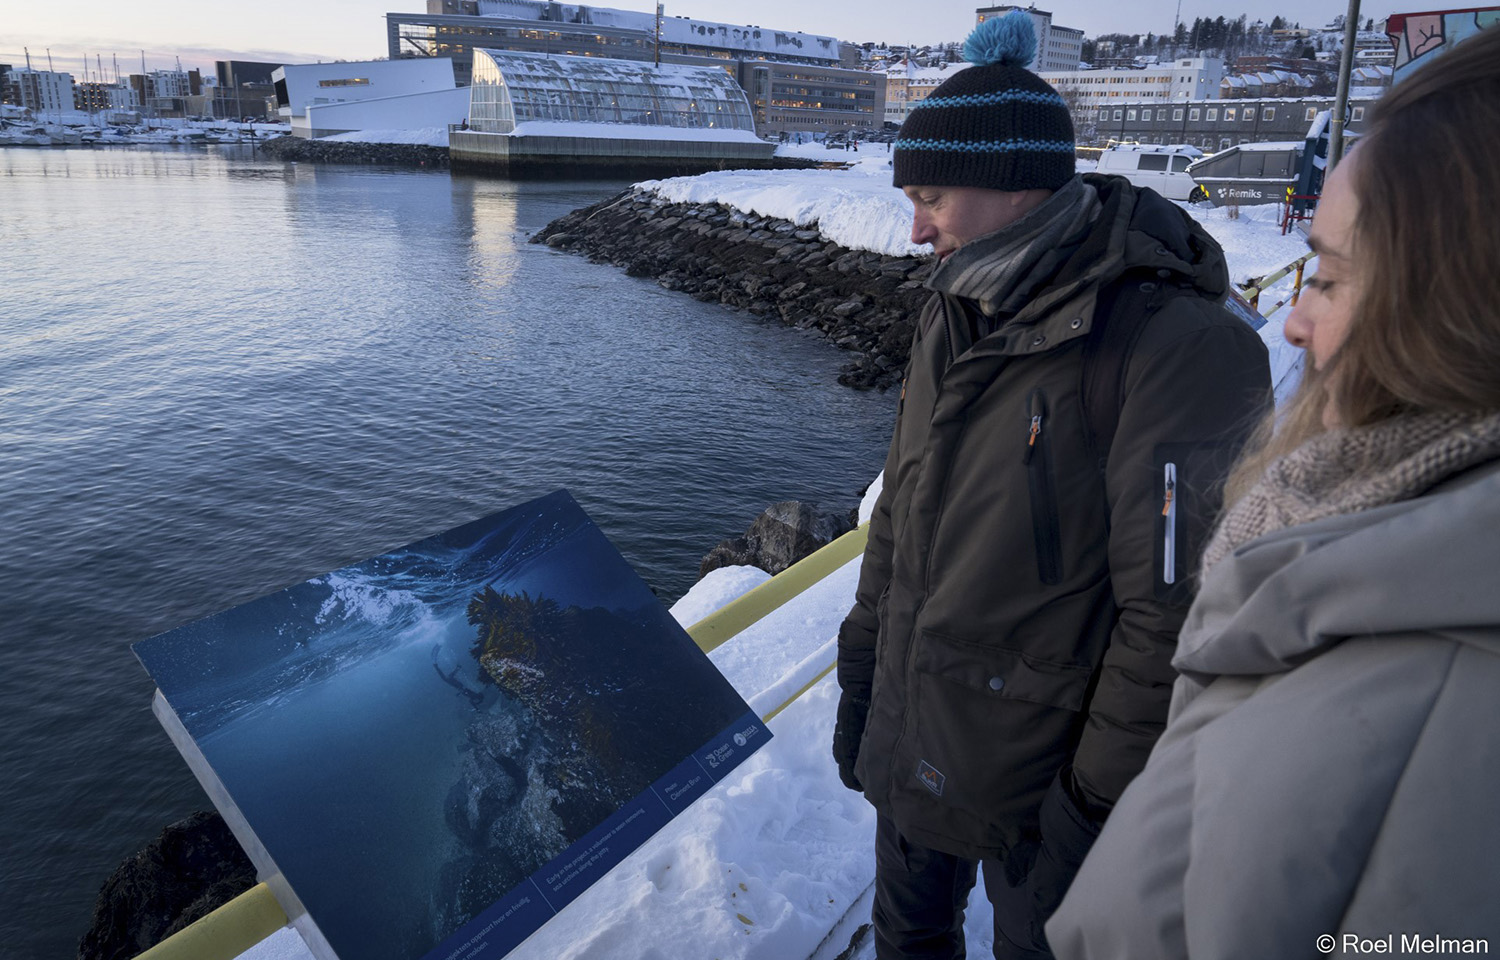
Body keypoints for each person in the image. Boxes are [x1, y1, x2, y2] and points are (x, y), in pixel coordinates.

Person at [1045, 25, 1500, 958]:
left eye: (1328, 277)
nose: (1291, 319)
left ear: (1455, 313)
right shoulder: (1364, 550)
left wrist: (1088, 792)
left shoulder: (1424, 677)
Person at [831, 11, 1271, 960]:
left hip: (1051, 785)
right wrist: (866, 679)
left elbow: (1179, 618)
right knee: (908, 938)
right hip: (921, 731)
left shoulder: (1174, 346)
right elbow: (901, 523)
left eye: (932, 196)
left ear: (1016, 187)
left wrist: (1093, 805)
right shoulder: (953, 309)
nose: (913, 230)